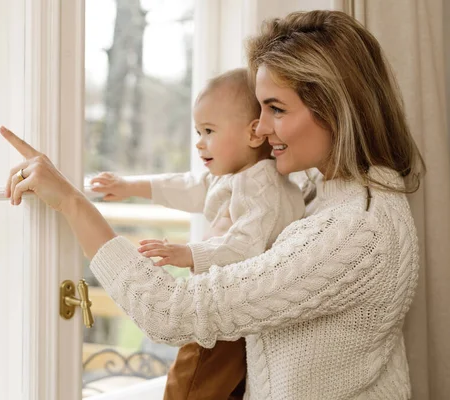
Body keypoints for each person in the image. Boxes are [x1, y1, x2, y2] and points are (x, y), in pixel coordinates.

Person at [0, 10, 425, 399]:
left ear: (335, 109)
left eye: (276, 109)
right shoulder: (332, 191)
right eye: (259, 108)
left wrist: (73, 204)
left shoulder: (354, 230)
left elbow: (171, 312)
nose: (259, 127)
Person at [89, 68, 305, 400]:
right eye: (198, 131)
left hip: (230, 311)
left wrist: (191, 253)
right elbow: (187, 186)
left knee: (190, 380)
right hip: (229, 305)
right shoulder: (235, 175)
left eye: (208, 131)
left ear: (252, 134)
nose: (199, 142)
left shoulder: (259, 183)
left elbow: (247, 246)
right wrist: (129, 185)